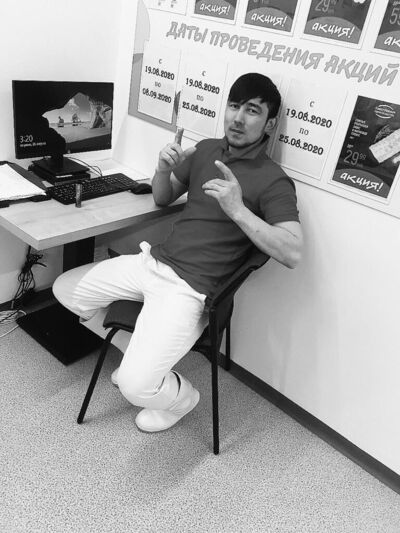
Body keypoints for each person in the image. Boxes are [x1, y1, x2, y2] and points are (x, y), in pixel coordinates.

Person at [53, 73, 303, 433]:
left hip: (190, 289)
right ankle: (136, 353)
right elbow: (162, 196)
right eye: (234, 106)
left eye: (252, 110)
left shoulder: (273, 179)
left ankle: (183, 399)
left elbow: (292, 252)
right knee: (66, 290)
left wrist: (238, 209)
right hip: (153, 262)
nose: (238, 118)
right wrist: (162, 169)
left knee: (135, 388)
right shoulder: (206, 150)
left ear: (270, 123)